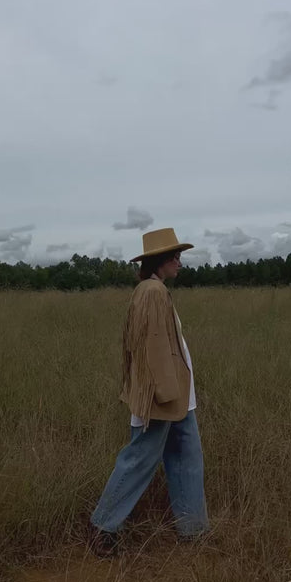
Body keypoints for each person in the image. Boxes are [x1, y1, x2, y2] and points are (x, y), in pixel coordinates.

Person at [89, 227, 209, 556]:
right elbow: (150, 346)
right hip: (164, 397)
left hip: (179, 397)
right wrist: (163, 394)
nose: (179, 262)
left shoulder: (153, 289)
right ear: (160, 260)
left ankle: (192, 529)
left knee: (187, 458)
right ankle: (102, 528)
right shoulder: (152, 292)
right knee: (140, 458)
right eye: (175, 257)